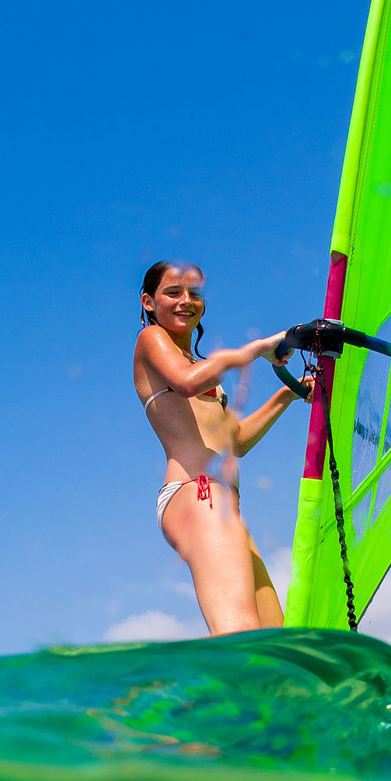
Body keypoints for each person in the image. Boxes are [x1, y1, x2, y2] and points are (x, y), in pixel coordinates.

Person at [133, 260, 310, 634]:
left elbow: (236, 442)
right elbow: (184, 383)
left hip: (222, 500)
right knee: (240, 633)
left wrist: (288, 393)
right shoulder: (151, 340)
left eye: (194, 294)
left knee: (274, 637)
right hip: (194, 489)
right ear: (148, 302)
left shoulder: (201, 367)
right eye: (173, 292)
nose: (186, 301)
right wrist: (259, 348)